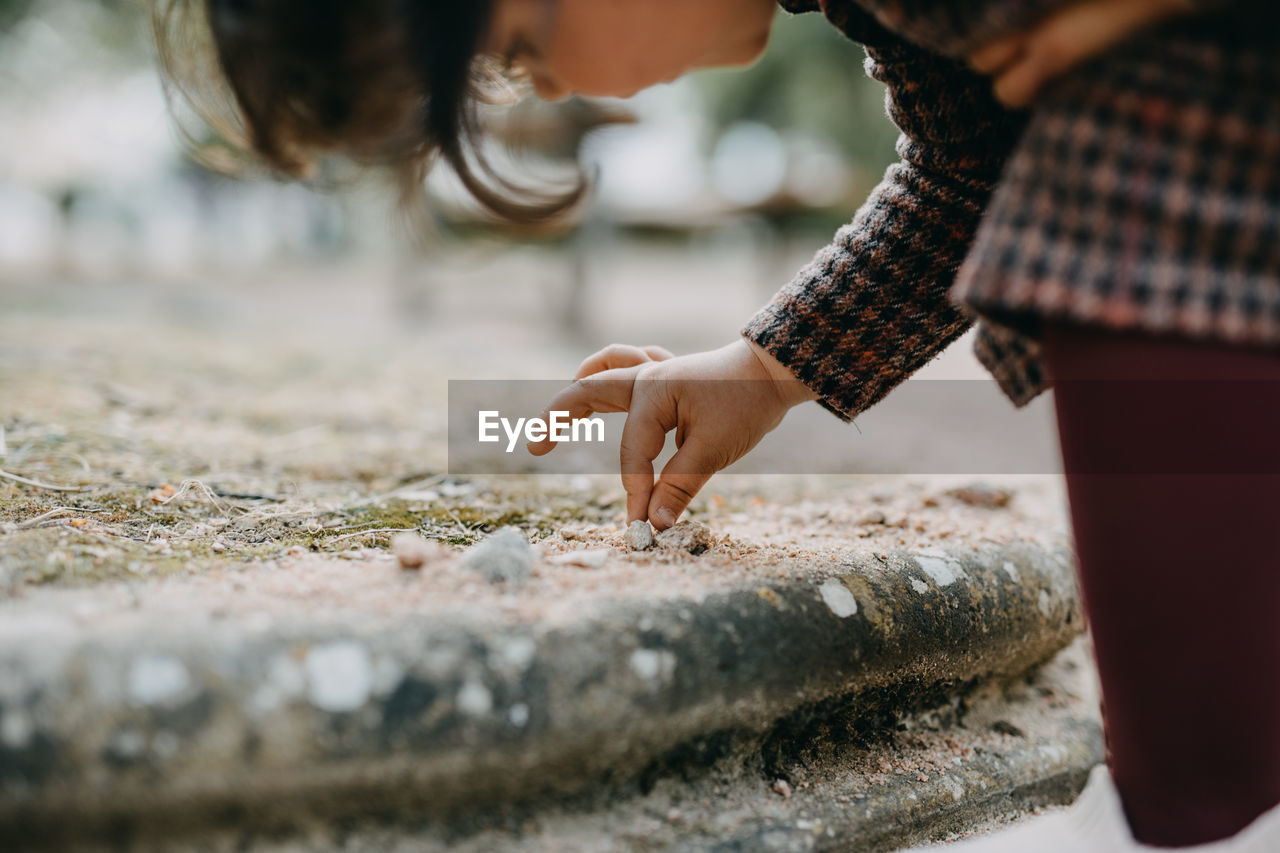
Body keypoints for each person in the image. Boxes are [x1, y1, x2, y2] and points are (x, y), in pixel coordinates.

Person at [153, 0, 1280, 849]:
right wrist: (767, 365)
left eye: (520, 51)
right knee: (1186, 778)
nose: (541, 89)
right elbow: (977, 160)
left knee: (1201, 777)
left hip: (1195, 233)